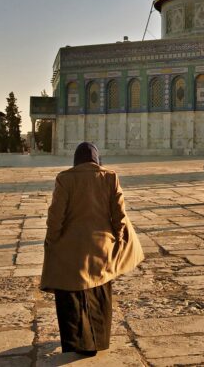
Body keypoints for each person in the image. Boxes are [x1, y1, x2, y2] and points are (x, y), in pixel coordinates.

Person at [41, 142, 144, 357]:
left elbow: (56, 216)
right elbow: (119, 215)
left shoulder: (65, 178)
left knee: (73, 294)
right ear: (97, 159)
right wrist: (119, 238)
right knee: (99, 294)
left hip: (71, 248)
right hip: (102, 247)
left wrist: (52, 241)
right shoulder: (110, 177)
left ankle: (80, 342)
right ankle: (98, 340)